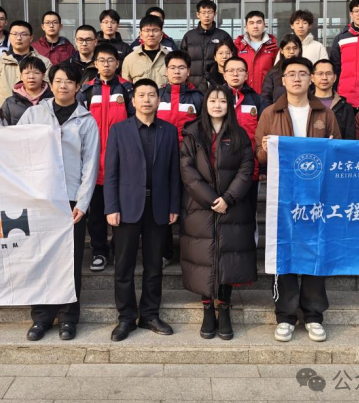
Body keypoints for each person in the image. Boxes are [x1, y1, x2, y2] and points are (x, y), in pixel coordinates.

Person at [255, 57, 341, 343]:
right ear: (283, 80)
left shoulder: (325, 113)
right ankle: (286, 316)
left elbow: (337, 153)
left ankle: (314, 315)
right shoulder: (271, 113)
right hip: (283, 195)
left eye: (303, 74)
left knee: (316, 251)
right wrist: (265, 149)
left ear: (311, 79)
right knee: (286, 252)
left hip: (318, 195)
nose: (296, 78)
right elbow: (260, 156)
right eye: (291, 74)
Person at [21, 63, 100, 342]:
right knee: (42, 258)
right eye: (58, 80)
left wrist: (83, 202)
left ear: (78, 87)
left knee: (70, 260)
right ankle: (41, 317)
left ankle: (68, 317)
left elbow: (90, 164)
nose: (63, 85)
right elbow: (14, 147)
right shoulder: (34, 114)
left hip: (71, 200)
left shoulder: (86, 120)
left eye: (69, 81)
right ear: (50, 83)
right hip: (40, 197)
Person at [104, 78, 180, 342]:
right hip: (126, 208)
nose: (147, 100)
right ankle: (126, 317)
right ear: (133, 100)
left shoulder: (169, 131)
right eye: (141, 95)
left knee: (154, 265)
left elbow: (173, 173)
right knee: (123, 265)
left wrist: (173, 205)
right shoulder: (119, 130)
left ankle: (149, 314)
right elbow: (111, 172)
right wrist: (111, 206)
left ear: (158, 100)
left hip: (158, 207)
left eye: (151, 95)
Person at [179, 84, 255, 341]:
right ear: (205, 104)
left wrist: (228, 198)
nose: (217, 105)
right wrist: (213, 199)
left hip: (232, 208)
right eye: (213, 100)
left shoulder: (239, 135)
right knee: (204, 260)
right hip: (200, 207)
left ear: (229, 105)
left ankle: (224, 309)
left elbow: (246, 169)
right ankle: (207, 310)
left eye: (223, 100)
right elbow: (188, 172)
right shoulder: (192, 134)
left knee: (226, 260)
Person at [77, 44, 135, 272]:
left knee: (122, 211)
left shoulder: (127, 89)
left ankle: (119, 249)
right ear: (95, 63)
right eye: (101, 60)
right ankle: (99, 251)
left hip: (121, 162)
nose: (106, 64)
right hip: (92, 162)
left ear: (117, 63)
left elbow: (134, 123)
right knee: (96, 213)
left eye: (110, 60)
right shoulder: (86, 91)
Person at [156, 50, 203, 268]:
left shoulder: (198, 97)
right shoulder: (157, 95)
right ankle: (165, 251)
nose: (177, 72)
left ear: (189, 71)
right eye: (173, 68)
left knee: (189, 207)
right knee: (162, 204)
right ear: (166, 71)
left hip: (190, 160)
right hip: (161, 159)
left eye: (181, 68)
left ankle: (189, 251)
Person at [224, 56, 265, 226]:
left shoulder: (257, 100)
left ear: (247, 75)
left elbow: (263, 135)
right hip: (221, 166)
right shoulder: (215, 98)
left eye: (240, 70)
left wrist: (262, 167)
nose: (235, 74)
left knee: (248, 214)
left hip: (250, 167)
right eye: (231, 71)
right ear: (224, 74)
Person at [0, 20, 52, 107]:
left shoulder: (44, 62)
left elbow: (49, 89)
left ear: (31, 38)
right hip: (5, 112)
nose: (19, 38)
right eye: (15, 34)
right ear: (9, 37)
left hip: (37, 111)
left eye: (23, 34)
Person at [179, 0, 232, 90]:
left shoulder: (223, 35)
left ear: (215, 14)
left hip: (217, 84)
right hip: (192, 84)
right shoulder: (189, 36)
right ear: (198, 15)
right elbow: (182, 60)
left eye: (210, 12)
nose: (207, 16)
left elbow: (231, 59)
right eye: (203, 13)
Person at [233, 11, 279, 94]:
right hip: (243, 93)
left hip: (266, 94)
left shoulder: (273, 47)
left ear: (264, 25)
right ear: (246, 26)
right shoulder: (238, 46)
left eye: (259, 22)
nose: (255, 26)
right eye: (251, 23)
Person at [312, 58, 356, 140]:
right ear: (312, 78)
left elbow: (350, 139)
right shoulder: (305, 103)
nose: (324, 78)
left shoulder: (345, 108)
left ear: (335, 78)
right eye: (320, 74)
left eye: (329, 74)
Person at [1, 56, 53, 125]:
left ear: (43, 76)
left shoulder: (52, 100)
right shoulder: (10, 103)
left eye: (36, 73)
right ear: (21, 76)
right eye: (27, 73)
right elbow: (2, 128)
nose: (31, 76)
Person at [121, 15, 172, 86]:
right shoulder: (129, 59)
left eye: (155, 30)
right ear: (141, 34)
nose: (151, 34)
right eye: (147, 30)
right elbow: (126, 88)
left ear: (161, 34)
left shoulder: (171, 58)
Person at [261, 34, 304, 108]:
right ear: (281, 50)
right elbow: (266, 97)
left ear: (299, 49)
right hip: (278, 112)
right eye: (288, 48)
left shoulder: (307, 71)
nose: (291, 52)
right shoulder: (274, 73)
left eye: (295, 48)